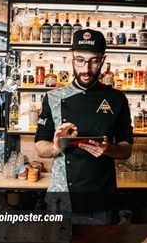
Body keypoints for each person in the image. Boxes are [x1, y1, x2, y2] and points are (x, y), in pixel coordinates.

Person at [35, 28, 133, 224]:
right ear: (71, 58)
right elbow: (39, 146)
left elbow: (127, 149)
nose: (86, 69)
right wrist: (55, 147)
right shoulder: (53, 98)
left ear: (103, 60)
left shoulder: (117, 99)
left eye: (94, 61)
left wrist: (108, 149)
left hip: (101, 198)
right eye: (80, 60)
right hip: (61, 198)